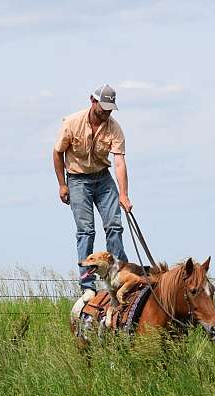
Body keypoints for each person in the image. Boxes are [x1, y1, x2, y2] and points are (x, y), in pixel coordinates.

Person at [53, 84, 132, 313]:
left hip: (103, 178)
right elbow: (57, 152)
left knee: (114, 225)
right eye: (103, 107)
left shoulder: (115, 128)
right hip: (77, 179)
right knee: (86, 231)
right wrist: (62, 184)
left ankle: (120, 273)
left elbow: (119, 162)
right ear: (92, 100)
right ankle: (87, 286)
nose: (106, 112)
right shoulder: (72, 122)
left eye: (110, 109)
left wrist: (124, 194)